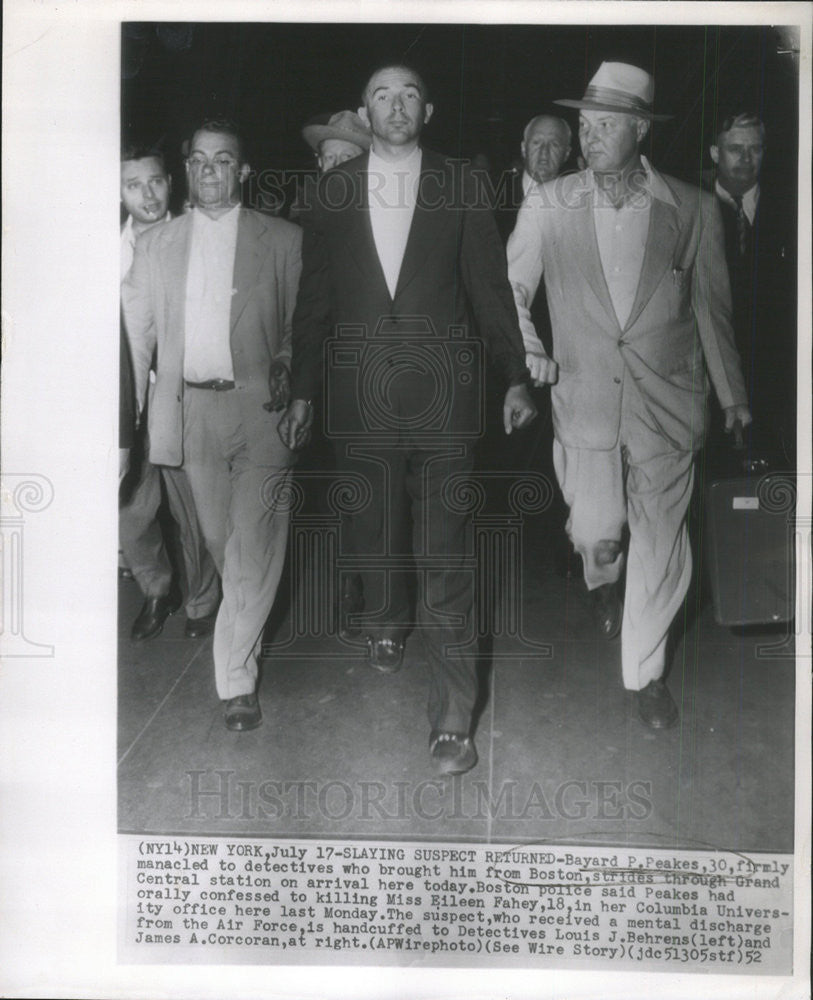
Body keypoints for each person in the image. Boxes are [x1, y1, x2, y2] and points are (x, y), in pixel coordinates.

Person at [279, 64, 536, 775]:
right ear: (364, 110)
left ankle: (453, 718)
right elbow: (314, 301)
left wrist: (514, 375)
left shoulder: (460, 183)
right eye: (382, 95)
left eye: (410, 93)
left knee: (447, 556)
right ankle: (387, 618)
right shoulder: (332, 190)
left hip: (445, 403)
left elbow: (489, 289)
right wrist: (302, 390)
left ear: (429, 107)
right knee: (375, 527)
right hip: (359, 396)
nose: (396, 105)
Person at [508, 62, 751, 729]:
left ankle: (644, 672)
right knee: (597, 532)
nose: (587, 137)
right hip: (582, 401)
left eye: (604, 125)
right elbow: (512, 290)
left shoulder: (692, 209)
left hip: (667, 403)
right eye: (583, 125)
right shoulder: (547, 206)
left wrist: (732, 395)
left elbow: (712, 311)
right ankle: (599, 574)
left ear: (639, 130)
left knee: (660, 542)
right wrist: (527, 348)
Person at [122, 119, 303, 731]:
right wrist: (125, 429)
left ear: (243, 170)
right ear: (187, 168)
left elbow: (301, 329)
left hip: (262, 413)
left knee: (255, 545)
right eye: (198, 160)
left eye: (223, 161)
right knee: (226, 549)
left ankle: (237, 680)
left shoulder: (282, 240)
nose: (208, 171)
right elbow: (136, 344)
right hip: (190, 413)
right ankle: (242, 637)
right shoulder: (156, 246)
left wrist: (288, 367)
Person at [119, 145, 219, 640]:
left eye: (155, 181)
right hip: (129, 401)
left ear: (170, 182)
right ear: (118, 193)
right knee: (131, 508)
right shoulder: (107, 253)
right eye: (133, 185)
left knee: (192, 507)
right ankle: (158, 589)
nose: (148, 194)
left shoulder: (198, 233)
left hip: (185, 396)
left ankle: (202, 600)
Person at [706, 112, 796, 464]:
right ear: (715, 153)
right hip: (710, 375)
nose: (746, 159)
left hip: (777, 372)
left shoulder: (792, 207)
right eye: (735, 149)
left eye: (755, 149)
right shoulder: (687, 207)